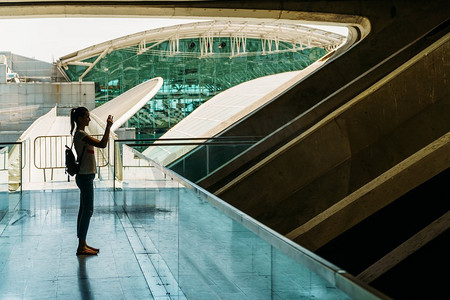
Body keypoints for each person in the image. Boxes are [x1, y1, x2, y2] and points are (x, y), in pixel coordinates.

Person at [70, 107, 113, 256]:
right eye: (87, 117)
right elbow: (102, 144)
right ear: (80, 119)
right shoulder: (81, 134)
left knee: (84, 210)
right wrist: (108, 126)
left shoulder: (79, 134)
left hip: (84, 176)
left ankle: (82, 243)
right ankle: (81, 246)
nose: (89, 119)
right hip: (85, 176)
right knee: (87, 211)